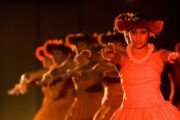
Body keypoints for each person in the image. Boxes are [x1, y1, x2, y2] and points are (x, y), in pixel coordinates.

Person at [101, 12, 180, 120]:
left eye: (143, 32)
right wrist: (110, 55)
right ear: (127, 33)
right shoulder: (122, 58)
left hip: (157, 114)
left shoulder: (158, 55)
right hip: (129, 115)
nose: (138, 37)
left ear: (150, 33)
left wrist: (171, 55)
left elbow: (165, 54)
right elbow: (115, 58)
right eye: (133, 32)